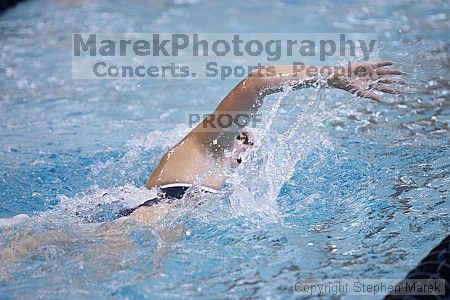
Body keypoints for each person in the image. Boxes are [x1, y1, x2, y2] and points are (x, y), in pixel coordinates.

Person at [121, 61, 404, 222]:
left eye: (251, 149)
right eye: (242, 135)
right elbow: (257, 81)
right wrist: (331, 76)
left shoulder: (218, 181)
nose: (247, 143)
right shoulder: (205, 148)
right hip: (136, 226)